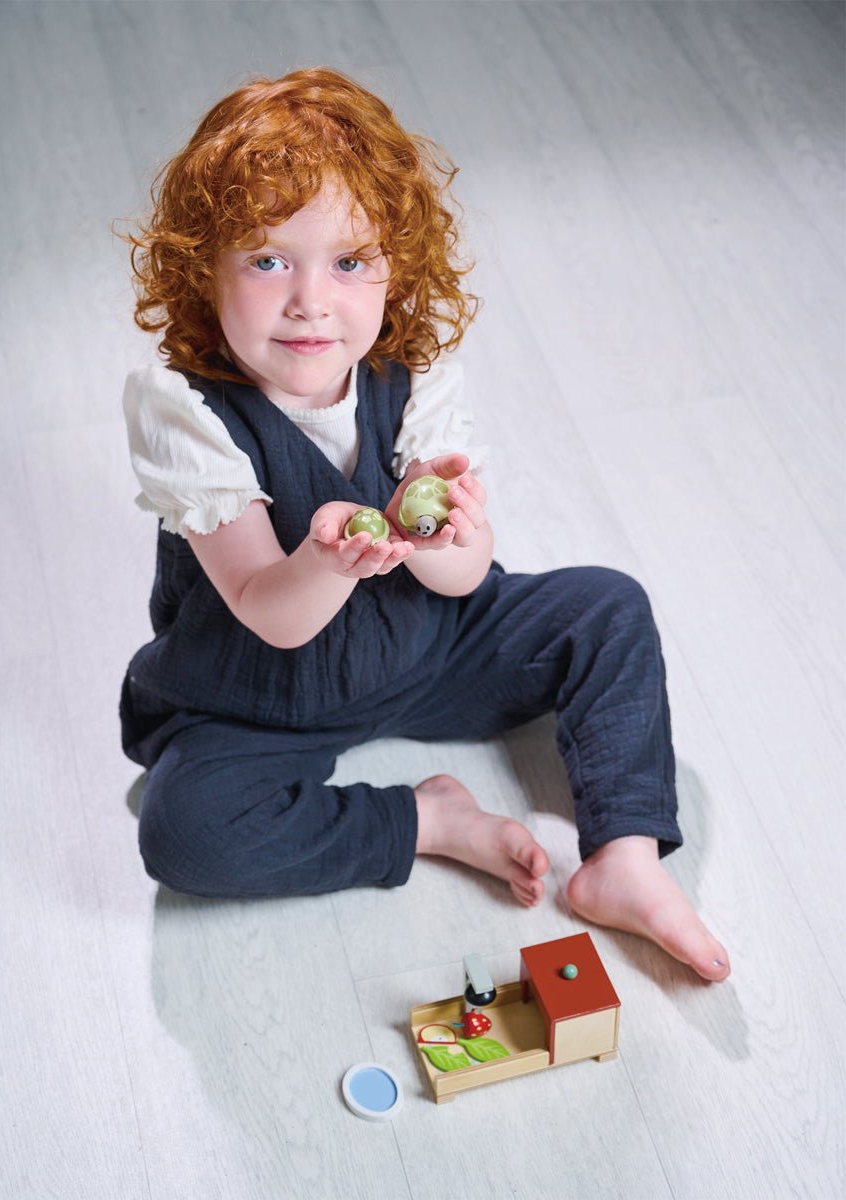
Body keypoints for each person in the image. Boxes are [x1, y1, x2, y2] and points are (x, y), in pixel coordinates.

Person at [120, 67, 730, 982]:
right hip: (260, 692)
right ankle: (425, 820)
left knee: (608, 607)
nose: (311, 301)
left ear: (395, 265)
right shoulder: (182, 406)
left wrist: (451, 541)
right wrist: (328, 560)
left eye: (350, 261)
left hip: (425, 645)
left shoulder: (412, 370)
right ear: (202, 268)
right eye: (268, 259)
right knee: (185, 831)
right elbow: (266, 608)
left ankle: (625, 861)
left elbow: (464, 581)